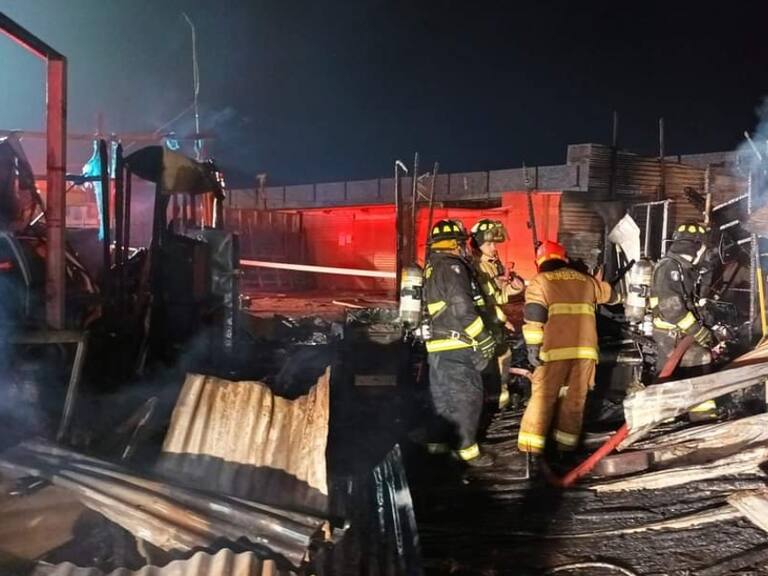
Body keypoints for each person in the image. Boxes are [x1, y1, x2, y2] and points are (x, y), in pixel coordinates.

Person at [518, 240, 619, 456]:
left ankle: (530, 450)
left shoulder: (541, 281)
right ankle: (565, 449)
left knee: (543, 398)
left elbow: (534, 315)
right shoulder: (586, 281)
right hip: (585, 353)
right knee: (575, 400)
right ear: (564, 258)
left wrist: (533, 348)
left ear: (541, 262)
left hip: (554, 352)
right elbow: (612, 296)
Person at [423, 219, 497, 466]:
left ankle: (438, 446)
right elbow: (463, 308)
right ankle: (468, 451)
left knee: (442, 399)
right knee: (467, 397)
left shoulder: (432, 267)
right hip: (456, 344)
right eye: (462, 242)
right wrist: (483, 338)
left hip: (437, 346)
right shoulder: (452, 267)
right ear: (455, 244)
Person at [469, 218, 524, 410]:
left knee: (502, 357)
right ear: (478, 244)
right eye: (489, 243)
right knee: (492, 360)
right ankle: (491, 402)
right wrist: (500, 318)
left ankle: (498, 401)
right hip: (484, 320)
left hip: (494, 318)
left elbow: (499, 295)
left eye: (494, 243)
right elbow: (482, 299)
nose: (494, 247)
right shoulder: (475, 266)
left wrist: (515, 285)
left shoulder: (492, 263)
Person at [650, 223, 716, 377]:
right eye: (704, 248)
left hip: (678, 333)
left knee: (677, 376)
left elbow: (690, 299)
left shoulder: (683, 268)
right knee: (700, 359)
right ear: (698, 247)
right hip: (670, 335)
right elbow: (671, 308)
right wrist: (697, 331)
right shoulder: (670, 267)